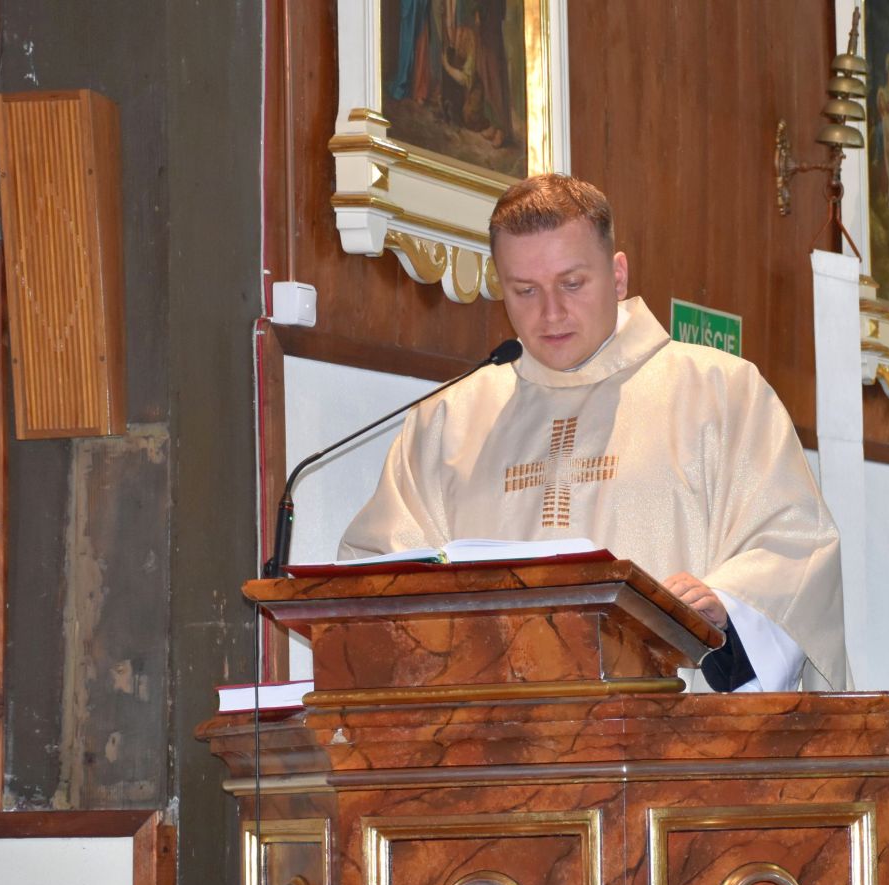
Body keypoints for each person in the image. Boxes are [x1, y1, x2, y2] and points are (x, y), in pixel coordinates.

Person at [338, 174, 848, 692]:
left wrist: (727, 609)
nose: (551, 313)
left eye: (572, 283)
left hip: (667, 729)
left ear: (618, 276)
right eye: (525, 290)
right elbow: (380, 577)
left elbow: (793, 548)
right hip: (495, 729)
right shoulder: (447, 421)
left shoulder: (720, 392)